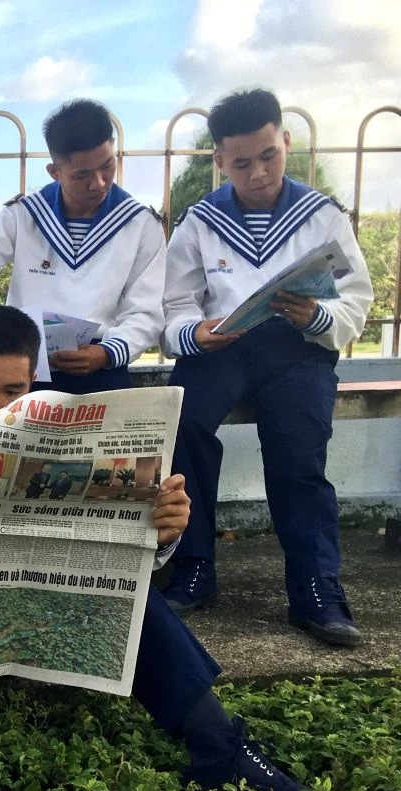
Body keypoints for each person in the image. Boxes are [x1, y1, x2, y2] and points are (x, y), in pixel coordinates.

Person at [0, 305, 309, 791]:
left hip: (39, 611)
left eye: (12, 390)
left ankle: (219, 745)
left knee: (126, 588)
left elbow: (120, 554)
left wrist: (162, 534)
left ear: (32, 385)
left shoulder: (61, 439)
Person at [159, 89, 372, 648]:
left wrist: (317, 314)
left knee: (299, 452)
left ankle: (316, 588)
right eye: (241, 162)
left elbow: (356, 298)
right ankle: (194, 567)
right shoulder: (200, 221)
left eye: (269, 156)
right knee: (184, 424)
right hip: (223, 347)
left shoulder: (322, 216)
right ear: (219, 161)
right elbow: (174, 304)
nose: (257, 173)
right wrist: (195, 333)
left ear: (286, 143)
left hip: (297, 346)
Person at [0, 99, 165, 394]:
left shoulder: (139, 223)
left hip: (101, 362)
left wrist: (107, 353)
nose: (98, 183)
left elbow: (146, 311)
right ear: (54, 171)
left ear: (114, 151)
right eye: (82, 175)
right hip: (24, 362)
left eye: (107, 166)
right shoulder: (25, 214)